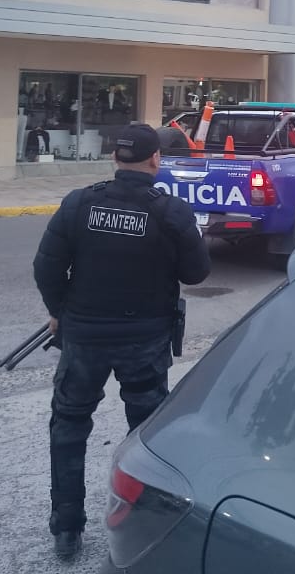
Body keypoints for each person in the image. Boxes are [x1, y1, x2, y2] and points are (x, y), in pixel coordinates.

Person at [32, 123, 210, 560]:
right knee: (147, 434)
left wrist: (59, 312)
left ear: (115, 158)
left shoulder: (79, 204)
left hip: (84, 339)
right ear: (155, 160)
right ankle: (143, 521)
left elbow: (46, 267)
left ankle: (66, 529)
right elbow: (197, 273)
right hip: (144, 343)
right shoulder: (170, 212)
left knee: (69, 427)